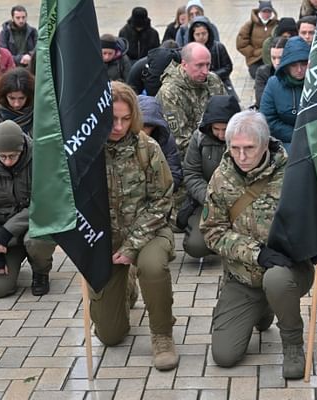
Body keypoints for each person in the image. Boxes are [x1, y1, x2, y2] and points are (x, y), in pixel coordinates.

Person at [201, 110, 312, 380]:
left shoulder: (293, 173)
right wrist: (257, 253)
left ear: (265, 144)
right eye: (235, 148)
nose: (241, 156)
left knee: (275, 281)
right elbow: (212, 232)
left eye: (249, 148)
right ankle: (263, 308)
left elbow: (314, 217)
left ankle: (293, 344)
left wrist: (315, 242)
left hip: (288, 270)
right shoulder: (222, 177)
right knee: (224, 356)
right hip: (243, 276)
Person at [88, 81, 179, 371]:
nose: (118, 125)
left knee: (152, 266)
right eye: (112, 118)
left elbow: (162, 201)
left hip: (150, 231)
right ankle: (125, 287)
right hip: (107, 240)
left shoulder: (147, 148)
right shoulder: (86, 153)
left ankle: (162, 334)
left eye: (126, 119)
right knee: (110, 336)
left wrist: (131, 247)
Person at [0, 120, 57, 298]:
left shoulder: (40, 159)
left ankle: (41, 271)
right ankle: (13, 262)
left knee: (37, 241)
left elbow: (44, 202)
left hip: (33, 227)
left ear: (23, 149)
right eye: (2, 156)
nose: (8, 161)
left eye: (13, 156)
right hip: (3, 239)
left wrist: (9, 229)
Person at [179, 95, 241, 258]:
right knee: (195, 246)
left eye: (225, 129)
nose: (221, 135)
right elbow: (192, 174)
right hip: (208, 200)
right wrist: (210, 197)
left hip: (242, 202)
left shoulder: (246, 139)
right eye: (216, 129)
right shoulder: (199, 139)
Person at [156, 42, 226, 161]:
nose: (205, 71)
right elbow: (181, 141)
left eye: (207, 65)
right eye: (199, 65)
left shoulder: (213, 80)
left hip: (220, 143)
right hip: (189, 157)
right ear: (184, 65)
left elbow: (228, 114)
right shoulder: (170, 93)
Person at [260, 36, 309, 152]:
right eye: (294, 65)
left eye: (303, 64)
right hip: (285, 142)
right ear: (286, 65)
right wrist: (298, 135)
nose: (299, 69)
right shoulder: (273, 84)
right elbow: (268, 120)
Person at [138, 94, 184, 192]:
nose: (142, 131)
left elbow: (174, 173)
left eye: (147, 126)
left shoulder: (165, 139)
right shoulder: (125, 140)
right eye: (140, 125)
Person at [188, 16, 235, 100]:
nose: (201, 37)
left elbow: (228, 67)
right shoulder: (189, 50)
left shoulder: (218, 47)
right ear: (193, 35)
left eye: (204, 33)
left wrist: (211, 75)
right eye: (197, 34)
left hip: (218, 84)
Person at [236, 0, 280, 79]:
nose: (266, 14)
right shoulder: (250, 24)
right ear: (260, 12)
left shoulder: (277, 24)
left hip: (272, 57)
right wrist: (252, 52)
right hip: (255, 59)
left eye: (269, 11)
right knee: (258, 75)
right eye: (264, 11)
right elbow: (241, 43)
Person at [255, 36, 288, 110]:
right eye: (273, 58)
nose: (277, 62)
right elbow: (261, 101)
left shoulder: (297, 72)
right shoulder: (263, 72)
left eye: (280, 57)